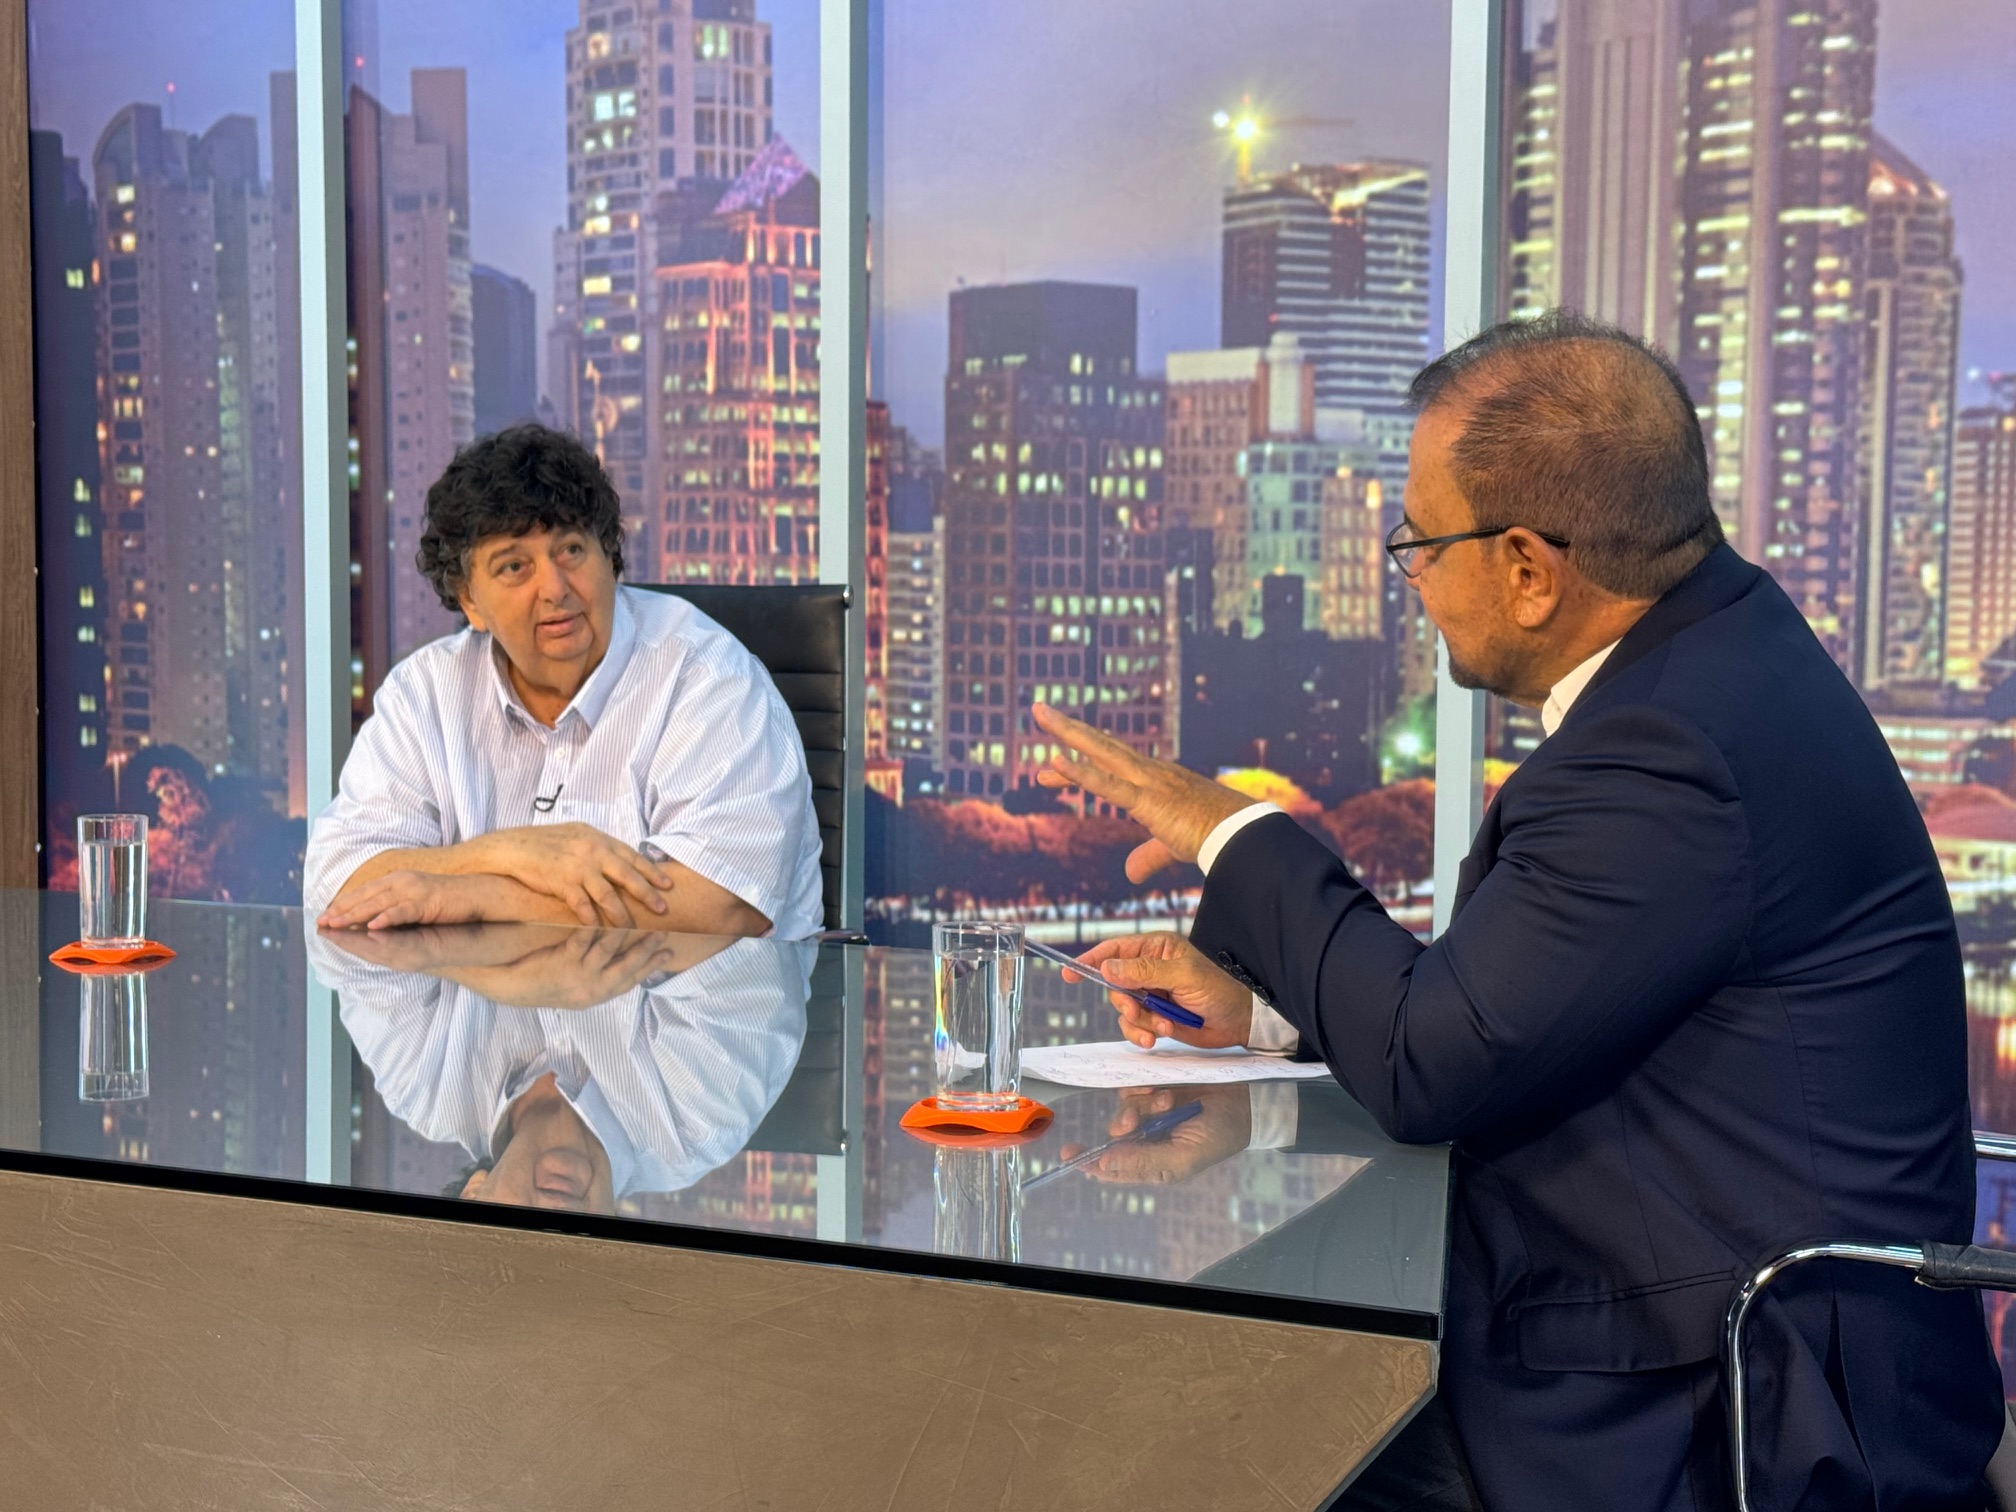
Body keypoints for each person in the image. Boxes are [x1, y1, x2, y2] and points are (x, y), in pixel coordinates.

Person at [1030, 312, 2003, 1511]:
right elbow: (1521, 1000)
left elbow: (1433, 1064)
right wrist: (1273, 1016)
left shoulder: (1667, 753)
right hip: (1689, 1294)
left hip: (1716, 1404)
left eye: (1419, 544)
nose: (1413, 580)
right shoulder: (1724, 652)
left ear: (1531, 571)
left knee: (1178, 1423)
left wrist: (1227, 828)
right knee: (1211, 1360)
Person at [304, 424, 824, 941]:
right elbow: (336, 880)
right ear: (469, 600)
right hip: (484, 995)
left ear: (609, 557)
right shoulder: (426, 693)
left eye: (571, 550)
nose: (554, 588)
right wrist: (508, 854)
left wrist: (481, 896)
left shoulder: (708, 679)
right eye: (514, 566)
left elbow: (724, 905)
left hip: (693, 996)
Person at [310, 920, 814, 1213]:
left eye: (522, 1246)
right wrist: (482, 927)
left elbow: (341, 934)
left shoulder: (423, 1085)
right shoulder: (701, 1121)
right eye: (576, 1263)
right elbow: (730, 924)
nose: (556, 1227)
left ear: (476, 1194)